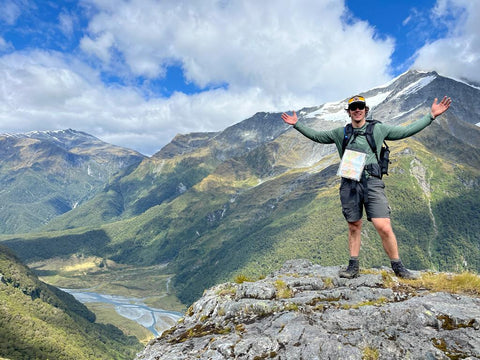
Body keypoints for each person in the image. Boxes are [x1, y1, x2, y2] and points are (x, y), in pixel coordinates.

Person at [281, 95, 452, 279]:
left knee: (383, 225)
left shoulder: (377, 129)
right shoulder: (341, 133)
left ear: (366, 109)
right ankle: (353, 266)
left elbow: (405, 131)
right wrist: (297, 124)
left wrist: (431, 116)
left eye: (360, 106)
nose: (357, 110)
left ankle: (398, 267)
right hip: (349, 183)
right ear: (348, 112)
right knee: (354, 225)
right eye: (353, 107)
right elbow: (317, 136)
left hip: (372, 182)